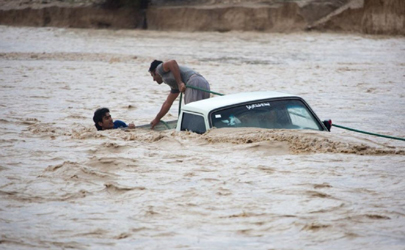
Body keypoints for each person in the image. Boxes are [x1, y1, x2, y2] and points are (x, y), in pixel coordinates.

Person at [148, 59, 210, 129]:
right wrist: (157, 119)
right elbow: (168, 103)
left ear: (155, 71)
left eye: (152, 75)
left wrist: (180, 83)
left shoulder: (159, 69)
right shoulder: (174, 84)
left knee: (191, 113)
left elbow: (172, 62)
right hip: (203, 83)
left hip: (193, 82)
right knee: (201, 113)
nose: (153, 79)